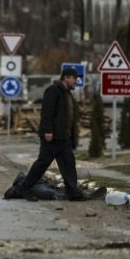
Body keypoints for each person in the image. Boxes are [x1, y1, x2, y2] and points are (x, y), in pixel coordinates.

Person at [19, 67, 86, 202]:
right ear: (66, 78)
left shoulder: (67, 93)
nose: (76, 81)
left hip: (63, 137)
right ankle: (25, 188)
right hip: (53, 137)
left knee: (69, 164)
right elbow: (47, 113)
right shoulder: (53, 90)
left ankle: (73, 192)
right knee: (42, 163)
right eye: (74, 78)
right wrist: (47, 131)